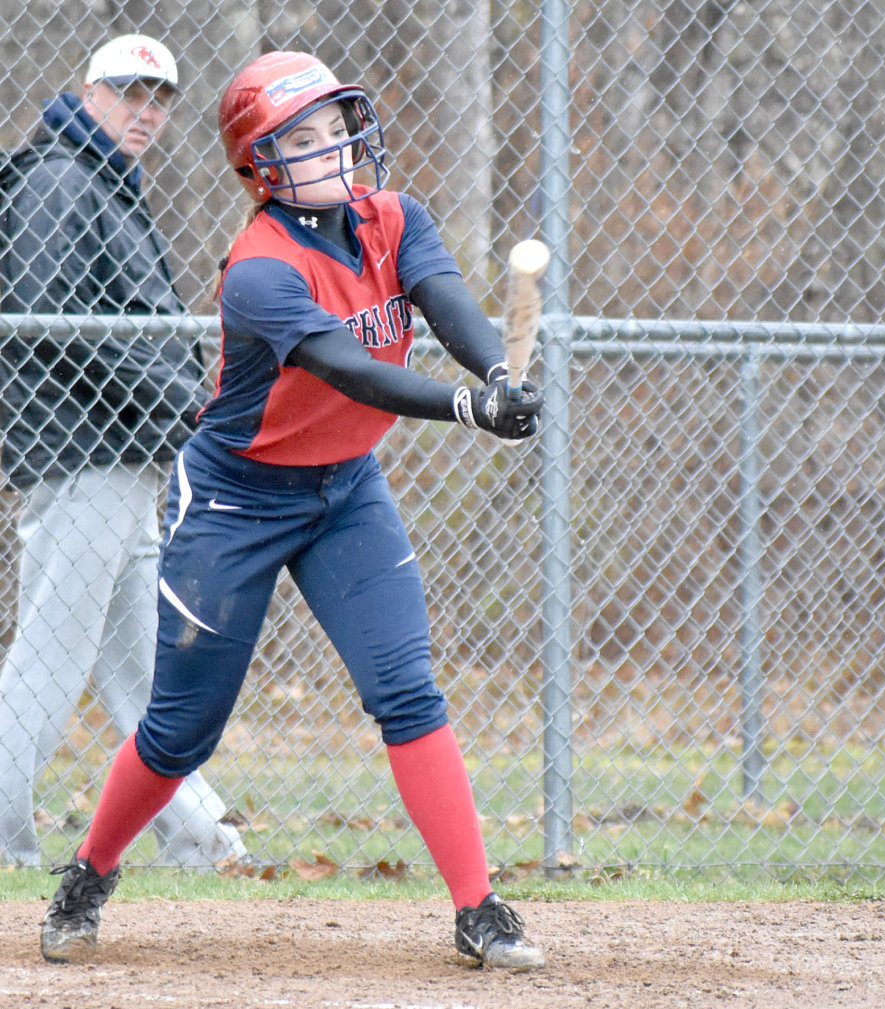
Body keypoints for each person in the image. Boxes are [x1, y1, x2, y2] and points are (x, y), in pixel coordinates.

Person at [38, 50, 547, 970]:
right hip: (236, 499)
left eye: (338, 129)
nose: (335, 148)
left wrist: (496, 374)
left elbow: (447, 302)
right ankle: (89, 870)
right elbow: (347, 368)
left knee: (407, 689)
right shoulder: (259, 268)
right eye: (304, 139)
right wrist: (466, 408)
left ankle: (479, 907)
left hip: (346, 490)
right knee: (180, 729)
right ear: (261, 165)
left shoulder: (395, 218)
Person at [0, 35, 247, 869]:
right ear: (89, 91)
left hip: (125, 454)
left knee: (142, 675)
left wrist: (179, 399)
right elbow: (51, 315)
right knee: (50, 655)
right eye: (129, 91)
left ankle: (201, 840)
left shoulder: (104, 182)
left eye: (161, 98)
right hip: (83, 454)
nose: (146, 110)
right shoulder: (59, 180)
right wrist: (184, 397)